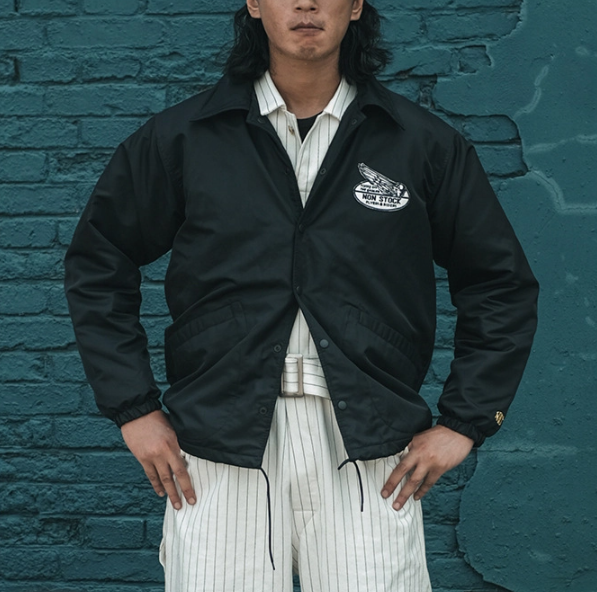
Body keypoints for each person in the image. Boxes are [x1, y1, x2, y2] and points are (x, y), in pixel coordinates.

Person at [64, 1, 539, 590]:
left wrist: (465, 421)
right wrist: (134, 408)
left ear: (356, 5)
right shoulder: (186, 139)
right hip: (217, 442)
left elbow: (499, 283)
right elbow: (98, 262)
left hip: (369, 446)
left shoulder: (419, 144)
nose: (307, 3)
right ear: (255, 4)